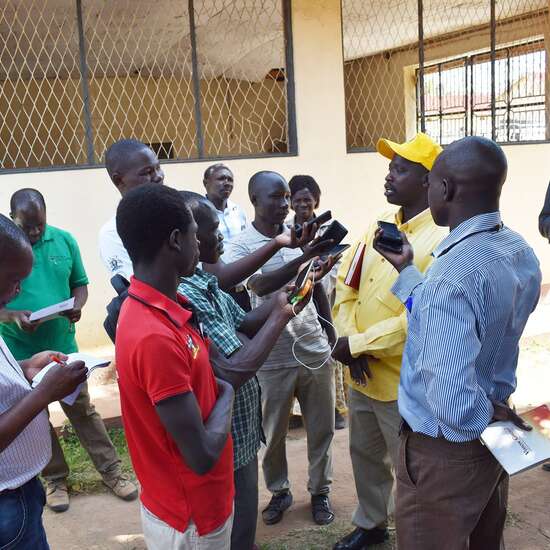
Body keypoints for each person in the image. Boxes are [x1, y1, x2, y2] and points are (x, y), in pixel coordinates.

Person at [374, 136, 541, 550]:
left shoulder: (452, 276)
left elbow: (451, 401)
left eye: (431, 182)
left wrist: (484, 413)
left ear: (445, 189)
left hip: (445, 452)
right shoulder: (518, 249)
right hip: (492, 437)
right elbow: (456, 317)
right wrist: (407, 271)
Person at [179, 191, 317, 550]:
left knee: (243, 521)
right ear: (185, 238)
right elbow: (235, 369)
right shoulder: (186, 294)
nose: (218, 236)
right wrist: (283, 314)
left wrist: (289, 294)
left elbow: (245, 322)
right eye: (209, 230)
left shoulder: (204, 281)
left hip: (239, 432)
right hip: (222, 437)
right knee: (233, 523)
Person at [331, 133, 445, 550]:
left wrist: (359, 344)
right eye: (390, 167)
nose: (389, 175)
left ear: (428, 180)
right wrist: (349, 342)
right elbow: (346, 284)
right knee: (364, 455)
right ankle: (372, 523)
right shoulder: (378, 222)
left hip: (404, 383)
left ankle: (421, 535)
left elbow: (420, 317)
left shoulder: (441, 239)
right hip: (361, 373)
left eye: (400, 169)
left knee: (410, 468)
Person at [115, 184, 238, 549]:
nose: (199, 243)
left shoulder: (163, 306)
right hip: (192, 519)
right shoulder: (154, 336)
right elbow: (201, 456)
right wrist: (227, 392)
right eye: (194, 234)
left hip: (198, 505)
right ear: (175, 240)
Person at [0, 189, 137, 513]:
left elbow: (80, 284)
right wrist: (11, 316)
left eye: (40, 225)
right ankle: (55, 480)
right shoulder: (6, 250)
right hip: (19, 351)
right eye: (28, 226)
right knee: (35, 417)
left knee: (83, 411)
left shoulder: (64, 241)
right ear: (13, 218)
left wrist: (77, 305)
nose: (36, 231)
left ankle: (112, 472)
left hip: (60, 349)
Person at [224, 170, 337, 527]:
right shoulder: (242, 246)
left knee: (322, 428)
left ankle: (320, 491)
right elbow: (259, 285)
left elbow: (315, 285)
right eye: (276, 196)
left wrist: (329, 332)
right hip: (271, 355)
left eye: (287, 196)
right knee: (273, 434)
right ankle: (279, 491)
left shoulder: (301, 236)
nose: (285, 204)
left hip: (312, 346)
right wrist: (299, 255)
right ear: (254, 200)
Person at [0, 212, 87, 549]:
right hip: (6, 503)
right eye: (13, 279)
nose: (18, 290)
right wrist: (43, 394)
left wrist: (24, 366)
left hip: (21, 488)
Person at [288, 174, 347, 430]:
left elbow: (337, 265)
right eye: (298, 200)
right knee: (298, 348)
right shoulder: (286, 231)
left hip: (325, 299)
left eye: (308, 200)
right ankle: (296, 412)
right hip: (296, 298)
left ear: (316, 201)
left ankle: (333, 408)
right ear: (291, 202)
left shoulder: (329, 230)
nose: (303, 205)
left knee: (327, 348)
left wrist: (320, 274)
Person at [99, 139, 165, 280]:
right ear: (119, 180)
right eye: (147, 172)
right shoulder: (112, 233)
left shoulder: (176, 213)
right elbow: (139, 285)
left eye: (158, 167)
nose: (158, 176)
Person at [203, 163, 248, 242]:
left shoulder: (238, 211)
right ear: (206, 183)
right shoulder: (200, 212)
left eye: (230, 180)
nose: (227, 183)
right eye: (221, 179)